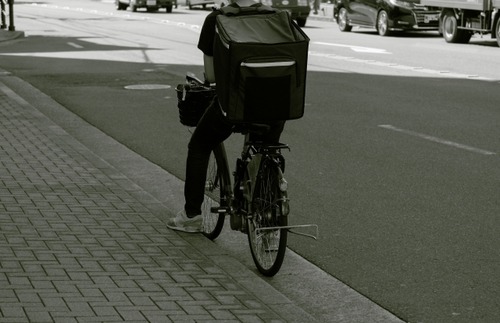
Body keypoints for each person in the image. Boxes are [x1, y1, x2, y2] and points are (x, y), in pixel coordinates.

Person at [167, 0, 285, 233]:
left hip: (234, 105)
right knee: (267, 148)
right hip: (277, 105)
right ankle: (267, 216)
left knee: (200, 145)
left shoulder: (216, 19)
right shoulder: (279, 18)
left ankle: (191, 216)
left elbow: (211, 75)